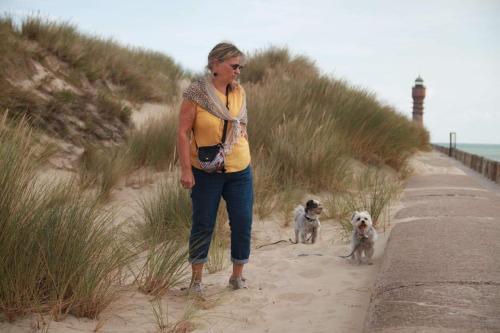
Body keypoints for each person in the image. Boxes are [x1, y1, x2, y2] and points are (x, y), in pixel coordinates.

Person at [177, 42, 253, 293]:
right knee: (203, 224)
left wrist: (242, 147)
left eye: (240, 66)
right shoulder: (196, 93)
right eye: (234, 66)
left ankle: (237, 276)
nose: (238, 71)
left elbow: (241, 124)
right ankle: (196, 281)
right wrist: (186, 170)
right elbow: (182, 132)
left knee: (242, 222)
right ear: (215, 64)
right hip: (205, 171)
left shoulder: (239, 92)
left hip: (240, 170)